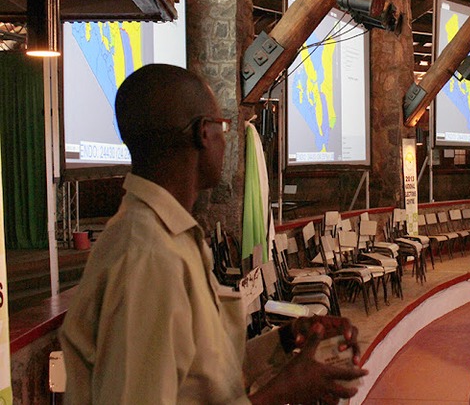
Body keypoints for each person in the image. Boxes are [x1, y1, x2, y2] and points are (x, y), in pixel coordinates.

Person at [59, 64, 367, 404]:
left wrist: (287, 339)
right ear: (203, 134)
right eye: (222, 126)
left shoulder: (170, 237)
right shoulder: (148, 256)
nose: (225, 138)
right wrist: (281, 393)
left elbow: (200, 378)